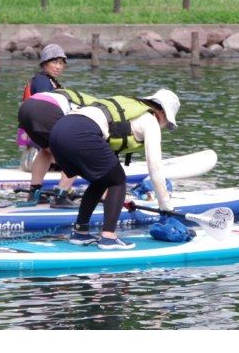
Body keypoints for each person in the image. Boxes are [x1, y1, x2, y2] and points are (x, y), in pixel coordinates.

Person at [48, 88, 180, 250]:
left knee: (103, 179)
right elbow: (155, 168)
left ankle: (80, 232)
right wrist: (165, 206)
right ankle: (108, 237)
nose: (165, 126)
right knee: (118, 179)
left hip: (58, 131)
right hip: (80, 132)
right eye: (167, 122)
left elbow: (107, 165)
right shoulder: (150, 120)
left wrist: (120, 199)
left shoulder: (129, 109)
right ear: (161, 111)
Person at [17, 87, 97, 208]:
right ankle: (61, 196)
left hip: (26, 107)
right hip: (46, 109)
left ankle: (34, 193)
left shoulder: (82, 100)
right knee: (77, 153)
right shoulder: (95, 111)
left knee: (46, 150)